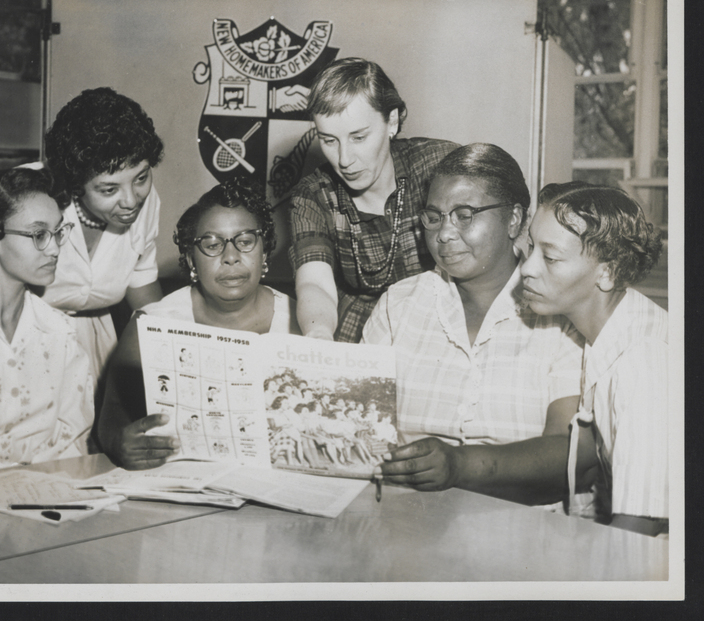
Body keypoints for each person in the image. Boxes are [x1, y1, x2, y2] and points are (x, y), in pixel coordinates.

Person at [364, 143, 589, 506]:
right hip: (402, 519)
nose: (445, 234)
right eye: (433, 217)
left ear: (514, 219)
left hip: (524, 528)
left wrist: (459, 465)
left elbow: (570, 452)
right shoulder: (399, 304)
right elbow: (358, 428)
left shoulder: (561, 313)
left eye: (464, 214)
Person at [0, 87, 166, 389]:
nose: (131, 200)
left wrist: (172, 343)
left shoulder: (146, 201)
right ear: (74, 184)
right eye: (108, 189)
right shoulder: (15, 197)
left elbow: (141, 279)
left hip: (93, 344)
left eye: (141, 177)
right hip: (10, 341)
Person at [98, 176, 301, 469]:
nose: (231, 257)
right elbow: (112, 415)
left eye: (245, 241)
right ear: (192, 260)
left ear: (265, 251)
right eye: (212, 244)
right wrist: (120, 442)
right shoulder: (152, 323)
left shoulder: (301, 323)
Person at [521, 182, 668, 535]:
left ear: (607, 272)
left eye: (550, 257)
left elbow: (637, 527)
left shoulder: (641, 359)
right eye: (530, 249)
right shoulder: (604, 334)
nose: (527, 269)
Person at [290, 57, 459, 343]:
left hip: (442, 324)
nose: (344, 160)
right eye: (329, 140)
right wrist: (318, 334)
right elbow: (314, 283)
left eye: (358, 137)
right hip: (356, 333)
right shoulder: (312, 194)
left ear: (391, 120)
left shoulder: (442, 167)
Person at [0, 167, 94, 475]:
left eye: (57, 233)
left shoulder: (61, 332)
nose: (54, 249)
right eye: (39, 235)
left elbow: (71, 445)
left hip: (41, 498)